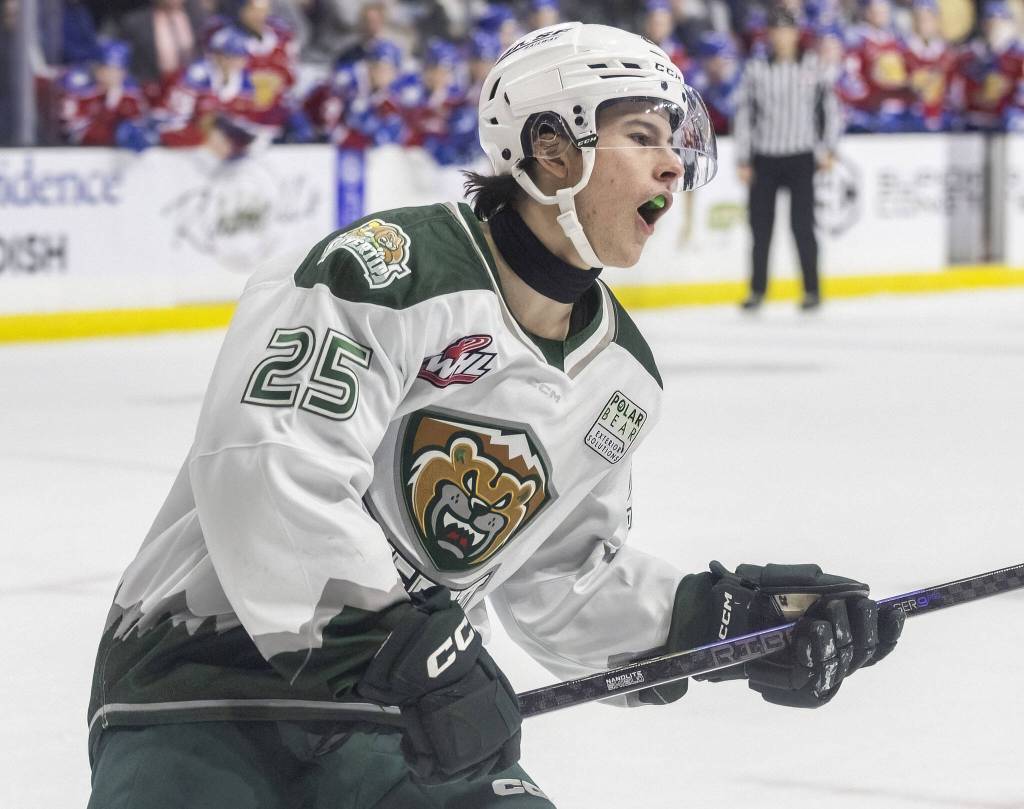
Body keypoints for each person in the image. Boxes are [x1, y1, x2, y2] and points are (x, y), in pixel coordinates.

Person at [87, 21, 904, 809]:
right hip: (203, 686)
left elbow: (560, 577)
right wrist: (404, 651)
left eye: (674, 140)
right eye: (644, 136)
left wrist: (729, 622)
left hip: (397, 723)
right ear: (552, 150)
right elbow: (267, 467)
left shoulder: (621, 378)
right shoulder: (386, 271)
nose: (672, 165)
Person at [734, 7, 842, 311]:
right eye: (776, 30)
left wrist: (829, 149)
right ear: (768, 34)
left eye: (787, 30)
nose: (782, 37)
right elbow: (745, 116)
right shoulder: (756, 69)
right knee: (761, 228)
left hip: (801, 157)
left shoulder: (812, 66)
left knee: (803, 226)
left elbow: (830, 110)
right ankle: (757, 290)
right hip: (765, 158)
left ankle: (812, 289)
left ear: (796, 33)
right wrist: (743, 158)